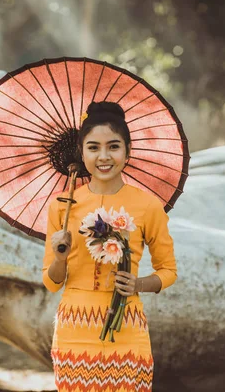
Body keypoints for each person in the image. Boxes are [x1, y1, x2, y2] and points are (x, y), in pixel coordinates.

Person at [42, 101, 178, 392]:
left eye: (113, 146)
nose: (104, 156)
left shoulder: (148, 205)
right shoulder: (62, 206)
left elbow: (168, 271)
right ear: (82, 152)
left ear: (128, 151)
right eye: (93, 147)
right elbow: (52, 283)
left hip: (127, 327)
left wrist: (138, 283)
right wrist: (59, 257)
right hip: (74, 330)